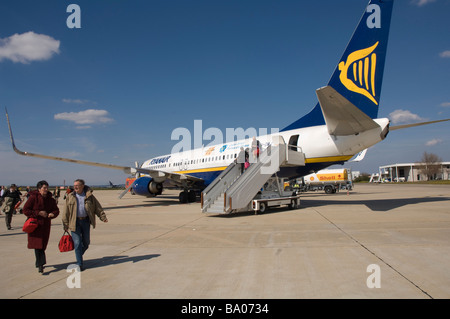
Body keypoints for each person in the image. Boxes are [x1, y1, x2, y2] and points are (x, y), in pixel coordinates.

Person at [62, 179, 108, 270]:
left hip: (85, 221)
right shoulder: (70, 196)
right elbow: (65, 212)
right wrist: (65, 224)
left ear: (82, 186)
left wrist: (102, 217)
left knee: (86, 242)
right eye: (74, 185)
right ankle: (79, 263)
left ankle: (79, 255)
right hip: (74, 222)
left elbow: (97, 207)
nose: (75, 187)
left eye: (77, 185)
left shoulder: (89, 196)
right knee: (77, 243)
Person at [23, 180, 59, 274]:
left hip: (46, 225)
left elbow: (56, 210)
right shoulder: (33, 198)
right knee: (37, 245)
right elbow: (25, 210)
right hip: (35, 225)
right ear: (39, 189)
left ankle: (39, 262)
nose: (46, 190)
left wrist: (52, 214)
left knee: (42, 245)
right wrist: (38, 213)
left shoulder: (50, 199)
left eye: (47, 188)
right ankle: (41, 265)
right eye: (44, 188)